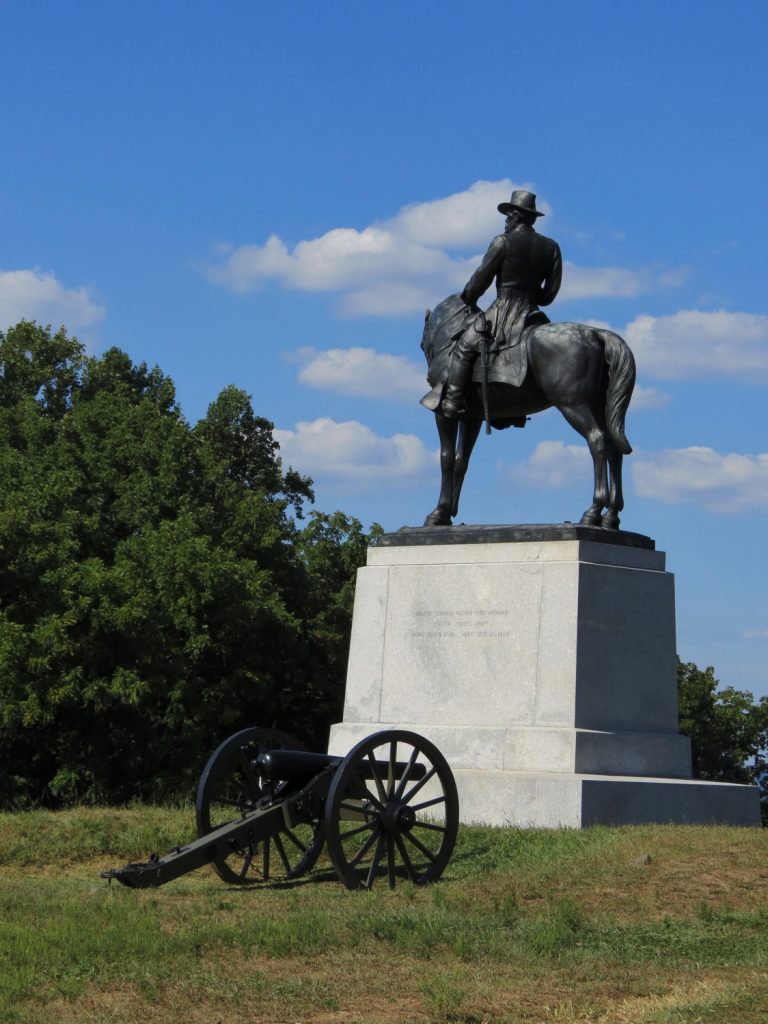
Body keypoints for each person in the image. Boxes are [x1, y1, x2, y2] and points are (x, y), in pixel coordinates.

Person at [441, 189, 562, 418]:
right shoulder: (551, 247)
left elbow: (480, 280)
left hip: (503, 312)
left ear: (517, 215)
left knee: (462, 349)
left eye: (509, 215)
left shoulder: (502, 241)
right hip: (532, 314)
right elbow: (549, 296)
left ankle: (453, 401)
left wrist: (469, 296)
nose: (506, 220)